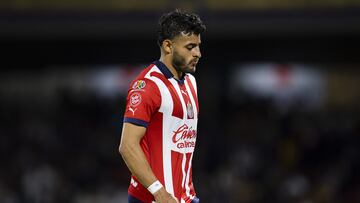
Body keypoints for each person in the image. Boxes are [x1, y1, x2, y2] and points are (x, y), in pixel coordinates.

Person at [118, 9, 206, 203]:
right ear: (168, 46)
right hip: (153, 199)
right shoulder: (147, 86)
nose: (198, 53)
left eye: (198, 46)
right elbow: (127, 146)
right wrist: (159, 192)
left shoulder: (191, 82)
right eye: (190, 47)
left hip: (186, 198)